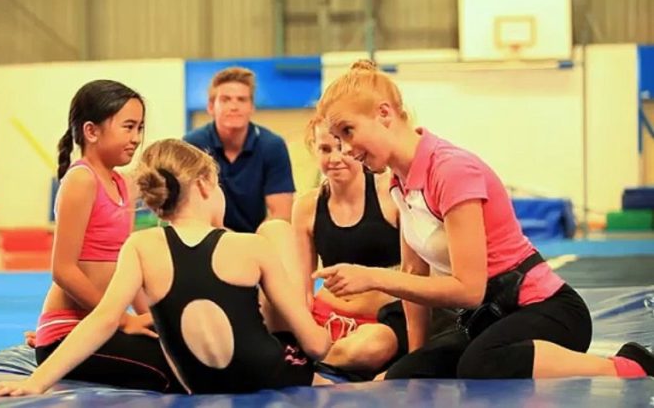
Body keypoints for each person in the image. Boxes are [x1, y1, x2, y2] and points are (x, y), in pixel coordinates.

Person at [312, 60, 654, 380]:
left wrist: (372, 278)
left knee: (481, 363)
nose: (346, 150)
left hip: (549, 312)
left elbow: (468, 289)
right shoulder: (399, 183)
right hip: (490, 319)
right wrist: (415, 359)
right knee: (402, 376)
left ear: (384, 114)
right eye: (338, 139)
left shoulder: (450, 170)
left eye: (348, 131)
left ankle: (626, 365)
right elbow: (414, 275)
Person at [0, 139, 332, 397]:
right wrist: (321, 328)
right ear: (206, 184)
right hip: (270, 375)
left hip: (200, 383)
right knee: (277, 229)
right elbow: (316, 348)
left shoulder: (141, 246)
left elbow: (102, 321)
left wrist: (36, 381)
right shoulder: (250, 245)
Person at [25, 80, 181, 393]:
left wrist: (150, 318)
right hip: (69, 332)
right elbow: (63, 269)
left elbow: (127, 269)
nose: (136, 138)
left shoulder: (121, 183)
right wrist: (123, 321)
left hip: (101, 325)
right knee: (175, 371)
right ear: (92, 132)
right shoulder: (82, 180)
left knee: (187, 353)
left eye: (140, 128)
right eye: (128, 127)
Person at [293, 117, 400, 375]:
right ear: (314, 149)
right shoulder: (307, 206)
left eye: (342, 148)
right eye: (325, 149)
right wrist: (303, 325)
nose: (335, 158)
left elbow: (417, 273)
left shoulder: (389, 193)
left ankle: (305, 364)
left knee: (373, 346)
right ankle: (310, 356)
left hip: (379, 321)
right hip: (326, 317)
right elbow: (303, 285)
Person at [184, 67, 295, 232]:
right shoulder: (192, 145)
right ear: (210, 106)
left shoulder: (273, 146)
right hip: (206, 238)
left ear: (252, 107)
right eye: (225, 99)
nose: (234, 106)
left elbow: (281, 214)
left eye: (241, 99)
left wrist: (249, 245)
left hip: (257, 241)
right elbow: (187, 210)